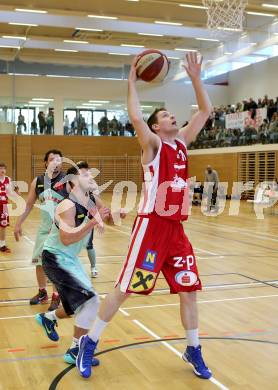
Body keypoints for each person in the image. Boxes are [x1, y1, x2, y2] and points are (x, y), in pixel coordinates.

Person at [76, 52, 213, 380]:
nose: (172, 117)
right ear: (156, 126)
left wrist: (196, 77)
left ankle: (193, 348)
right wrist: (132, 82)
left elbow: (206, 111)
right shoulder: (153, 146)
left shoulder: (181, 144)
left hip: (176, 232)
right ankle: (88, 342)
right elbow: (136, 118)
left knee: (189, 289)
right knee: (125, 289)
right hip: (151, 229)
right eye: (166, 115)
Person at [35, 161, 123, 365]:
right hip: (55, 258)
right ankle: (75, 349)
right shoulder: (67, 205)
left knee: (76, 303)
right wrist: (94, 221)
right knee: (91, 301)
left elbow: (106, 217)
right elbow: (67, 239)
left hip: (69, 259)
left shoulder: (92, 199)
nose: (91, 177)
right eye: (85, 175)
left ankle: (49, 318)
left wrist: (115, 216)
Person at [14, 150, 68, 311]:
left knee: (56, 265)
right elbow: (29, 205)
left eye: (58, 160)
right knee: (39, 262)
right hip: (44, 229)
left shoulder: (67, 180)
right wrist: (18, 223)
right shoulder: (38, 181)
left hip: (60, 230)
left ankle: (56, 296)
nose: (55, 162)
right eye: (52, 159)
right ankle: (42, 292)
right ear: (45, 162)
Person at [0, 163, 14, 253]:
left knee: (3, 226)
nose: (2, 170)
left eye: (3, 168)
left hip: (4, 206)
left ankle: (2, 245)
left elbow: (10, 192)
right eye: (0, 168)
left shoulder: (8, 179)